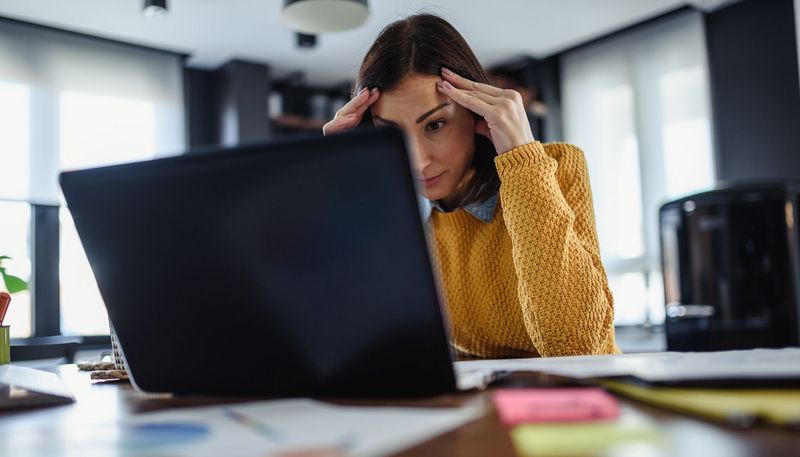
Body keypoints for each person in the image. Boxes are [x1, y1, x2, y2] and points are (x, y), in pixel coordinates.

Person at [323, 14, 619, 358]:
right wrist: (336, 182)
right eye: (393, 134)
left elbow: (578, 350)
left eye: (435, 125)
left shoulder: (555, 167)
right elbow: (354, 345)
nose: (417, 161)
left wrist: (523, 160)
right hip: (484, 404)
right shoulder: (393, 212)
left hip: (590, 401)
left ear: (475, 113)